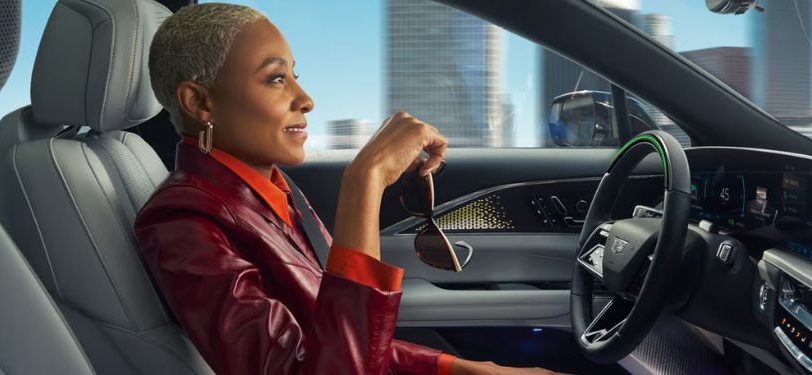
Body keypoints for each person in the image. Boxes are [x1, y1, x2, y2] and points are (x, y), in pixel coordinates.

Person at [135, 3, 557, 374]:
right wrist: (365, 181)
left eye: (294, 76)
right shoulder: (183, 224)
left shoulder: (270, 192)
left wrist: (467, 370)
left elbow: (334, 339)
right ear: (199, 103)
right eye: (276, 79)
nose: (306, 99)